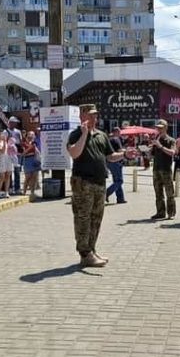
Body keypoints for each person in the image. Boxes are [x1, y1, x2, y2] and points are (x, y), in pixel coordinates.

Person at [67, 104, 124, 268]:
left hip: (100, 183)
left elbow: (110, 156)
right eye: (90, 115)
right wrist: (84, 134)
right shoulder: (76, 134)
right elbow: (74, 153)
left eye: (95, 115)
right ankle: (84, 254)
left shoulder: (101, 135)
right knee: (83, 219)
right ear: (81, 116)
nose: (94, 118)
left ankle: (91, 250)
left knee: (96, 219)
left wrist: (124, 154)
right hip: (83, 183)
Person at [149, 120, 177, 220]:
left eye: (161, 128)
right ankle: (160, 212)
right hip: (156, 169)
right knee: (158, 192)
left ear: (166, 128)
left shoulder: (171, 140)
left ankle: (171, 213)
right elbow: (151, 155)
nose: (159, 130)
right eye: (158, 128)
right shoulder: (156, 140)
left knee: (169, 193)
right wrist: (146, 150)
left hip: (166, 169)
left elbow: (172, 152)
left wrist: (160, 146)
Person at [105, 127, 127, 204]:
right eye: (119, 132)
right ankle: (107, 192)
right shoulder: (116, 140)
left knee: (116, 180)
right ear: (116, 132)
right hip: (116, 161)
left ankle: (120, 198)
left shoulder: (109, 140)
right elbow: (119, 150)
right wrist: (126, 151)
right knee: (119, 181)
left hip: (110, 161)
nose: (120, 133)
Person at [21, 130, 41, 197]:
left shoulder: (34, 143)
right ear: (27, 136)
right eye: (29, 135)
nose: (31, 136)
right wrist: (30, 147)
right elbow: (23, 154)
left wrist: (35, 148)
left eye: (32, 135)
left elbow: (37, 152)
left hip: (34, 159)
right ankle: (24, 191)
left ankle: (32, 192)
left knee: (34, 177)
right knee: (28, 177)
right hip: (27, 160)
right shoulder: (23, 143)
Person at [0, 130, 14, 198]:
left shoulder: (5, 142)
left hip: (8, 159)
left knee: (8, 176)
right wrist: (5, 142)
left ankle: (6, 192)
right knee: (2, 177)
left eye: (1, 134)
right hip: (1, 160)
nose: (1, 136)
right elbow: (2, 151)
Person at [8, 116, 23, 195]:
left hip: (17, 152)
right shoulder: (5, 131)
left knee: (17, 170)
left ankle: (17, 188)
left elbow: (21, 141)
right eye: (14, 122)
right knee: (9, 170)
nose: (15, 124)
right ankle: (10, 187)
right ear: (10, 123)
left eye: (16, 123)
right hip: (9, 152)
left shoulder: (18, 131)